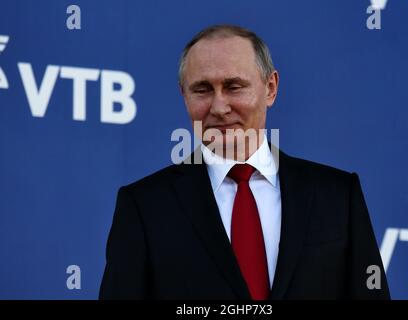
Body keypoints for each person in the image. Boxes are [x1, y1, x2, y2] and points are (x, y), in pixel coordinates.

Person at [99, 25, 390, 300]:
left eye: (234, 86)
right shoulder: (144, 207)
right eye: (202, 90)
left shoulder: (338, 196)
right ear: (184, 96)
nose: (219, 107)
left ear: (271, 88)